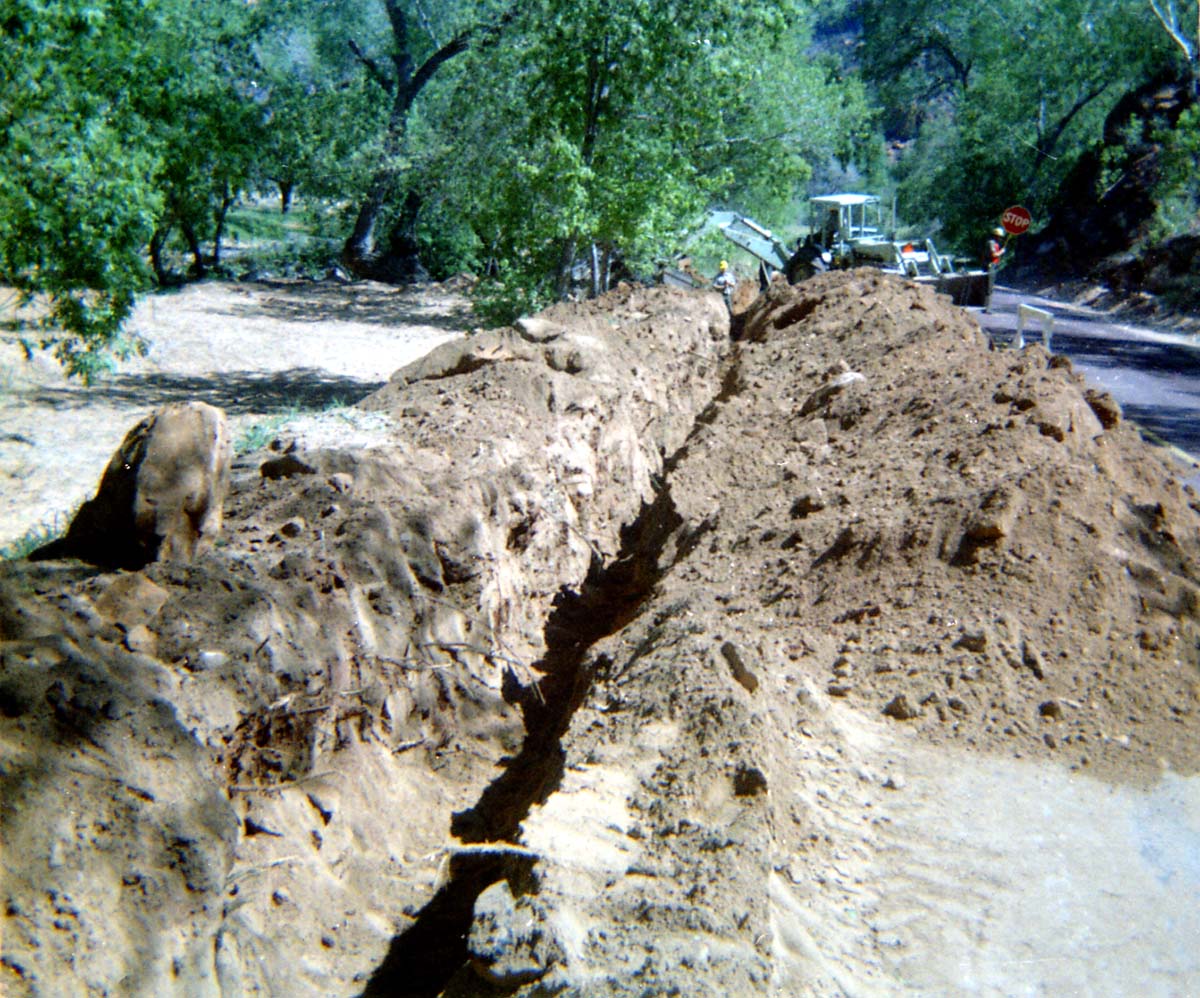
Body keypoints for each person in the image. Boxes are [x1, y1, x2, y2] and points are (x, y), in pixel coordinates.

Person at [983, 227, 1006, 312]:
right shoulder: (991, 243)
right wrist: (1001, 252)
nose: (1000, 238)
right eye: (999, 236)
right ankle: (986, 308)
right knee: (988, 287)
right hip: (990, 266)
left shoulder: (995, 244)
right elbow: (993, 255)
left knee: (990, 287)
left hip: (994, 266)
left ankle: (986, 307)